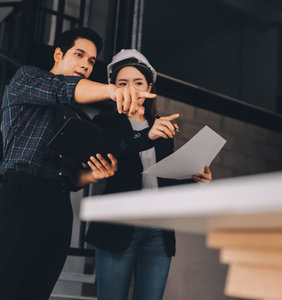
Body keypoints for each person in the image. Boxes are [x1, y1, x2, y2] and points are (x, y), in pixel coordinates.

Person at [0, 29, 156, 300]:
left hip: (59, 205)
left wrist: (91, 175)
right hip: (22, 195)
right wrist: (114, 90)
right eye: (79, 54)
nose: (86, 64)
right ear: (59, 54)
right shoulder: (28, 77)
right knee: (1, 289)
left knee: (37, 291)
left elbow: (71, 177)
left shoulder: (76, 115)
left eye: (92, 61)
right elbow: (61, 89)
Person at [85, 49, 212, 300]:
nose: (131, 88)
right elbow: (112, 154)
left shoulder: (162, 125)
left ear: (149, 86)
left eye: (138, 82)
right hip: (119, 223)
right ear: (113, 88)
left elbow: (161, 180)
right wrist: (147, 136)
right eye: (123, 83)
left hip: (157, 229)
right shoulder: (104, 123)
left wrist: (197, 181)